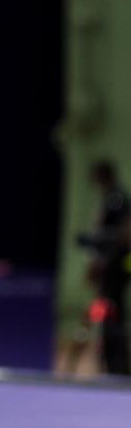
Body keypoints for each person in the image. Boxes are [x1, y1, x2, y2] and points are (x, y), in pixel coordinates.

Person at [78, 159, 130, 375]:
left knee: (110, 311)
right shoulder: (111, 198)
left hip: (117, 268)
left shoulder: (117, 199)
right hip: (112, 268)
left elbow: (124, 233)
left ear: (104, 176)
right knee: (106, 311)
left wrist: (102, 260)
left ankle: (117, 364)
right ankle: (111, 361)